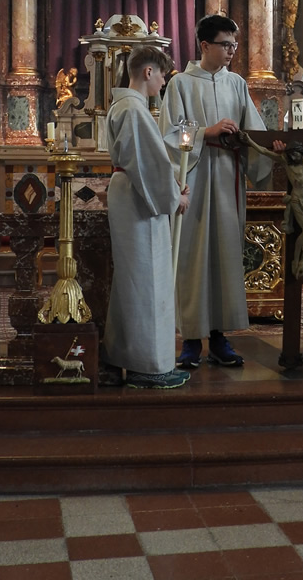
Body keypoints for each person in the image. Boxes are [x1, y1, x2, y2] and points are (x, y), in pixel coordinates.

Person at [160, 14, 271, 369]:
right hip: (193, 180)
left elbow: (253, 131)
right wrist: (206, 132)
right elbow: (168, 135)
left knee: (225, 255)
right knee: (193, 258)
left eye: (234, 45)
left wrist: (267, 145)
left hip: (227, 178)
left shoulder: (236, 83)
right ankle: (191, 340)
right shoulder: (180, 84)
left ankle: (220, 337)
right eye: (225, 45)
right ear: (205, 45)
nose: (232, 51)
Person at [100, 44, 191, 390]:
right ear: (148, 72)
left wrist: (170, 186)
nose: (164, 82)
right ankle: (148, 366)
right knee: (146, 278)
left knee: (134, 278)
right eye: (162, 75)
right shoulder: (133, 110)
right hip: (139, 199)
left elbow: (147, 161)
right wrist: (175, 198)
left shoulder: (126, 106)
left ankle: (126, 356)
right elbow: (146, 165)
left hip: (134, 195)